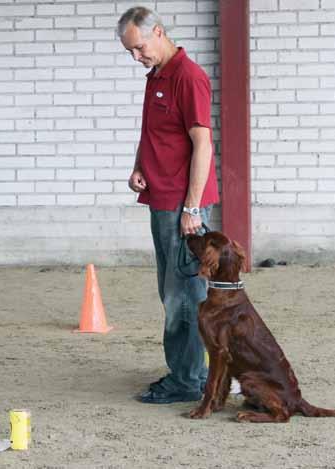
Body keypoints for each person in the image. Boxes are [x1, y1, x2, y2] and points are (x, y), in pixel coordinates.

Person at [117, 6, 219, 404]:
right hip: (161, 199)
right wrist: (139, 166)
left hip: (182, 208)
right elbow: (154, 132)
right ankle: (187, 370)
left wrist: (192, 209)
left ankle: (189, 381)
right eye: (130, 51)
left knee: (184, 295)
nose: (136, 57)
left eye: (139, 48)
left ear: (158, 32)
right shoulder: (157, 76)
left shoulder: (188, 78)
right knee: (172, 292)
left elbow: (203, 146)